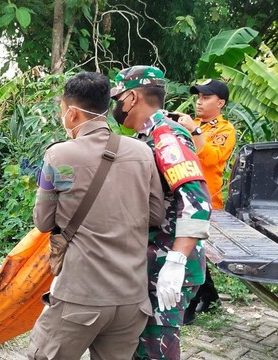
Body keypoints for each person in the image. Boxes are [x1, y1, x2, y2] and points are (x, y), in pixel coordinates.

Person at [28, 72, 165, 360]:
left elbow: (42, 221)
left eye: (62, 110)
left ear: (73, 113)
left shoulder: (59, 156)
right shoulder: (142, 152)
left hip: (80, 297)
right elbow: (156, 214)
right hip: (131, 300)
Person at [109, 66, 212, 360]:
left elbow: (197, 201)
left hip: (167, 265)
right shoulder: (150, 135)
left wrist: (176, 261)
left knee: (157, 352)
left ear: (131, 98)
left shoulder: (166, 135)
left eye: (118, 98)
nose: (117, 106)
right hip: (155, 261)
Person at [175, 79, 236, 324]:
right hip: (183, 194)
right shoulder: (194, 124)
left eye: (206, 97)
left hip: (206, 199)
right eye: (198, 97)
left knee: (192, 250)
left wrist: (195, 131)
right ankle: (210, 297)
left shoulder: (225, 130)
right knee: (194, 248)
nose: (199, 101)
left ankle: (189, 305)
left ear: (220, 103)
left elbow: (211, 158)